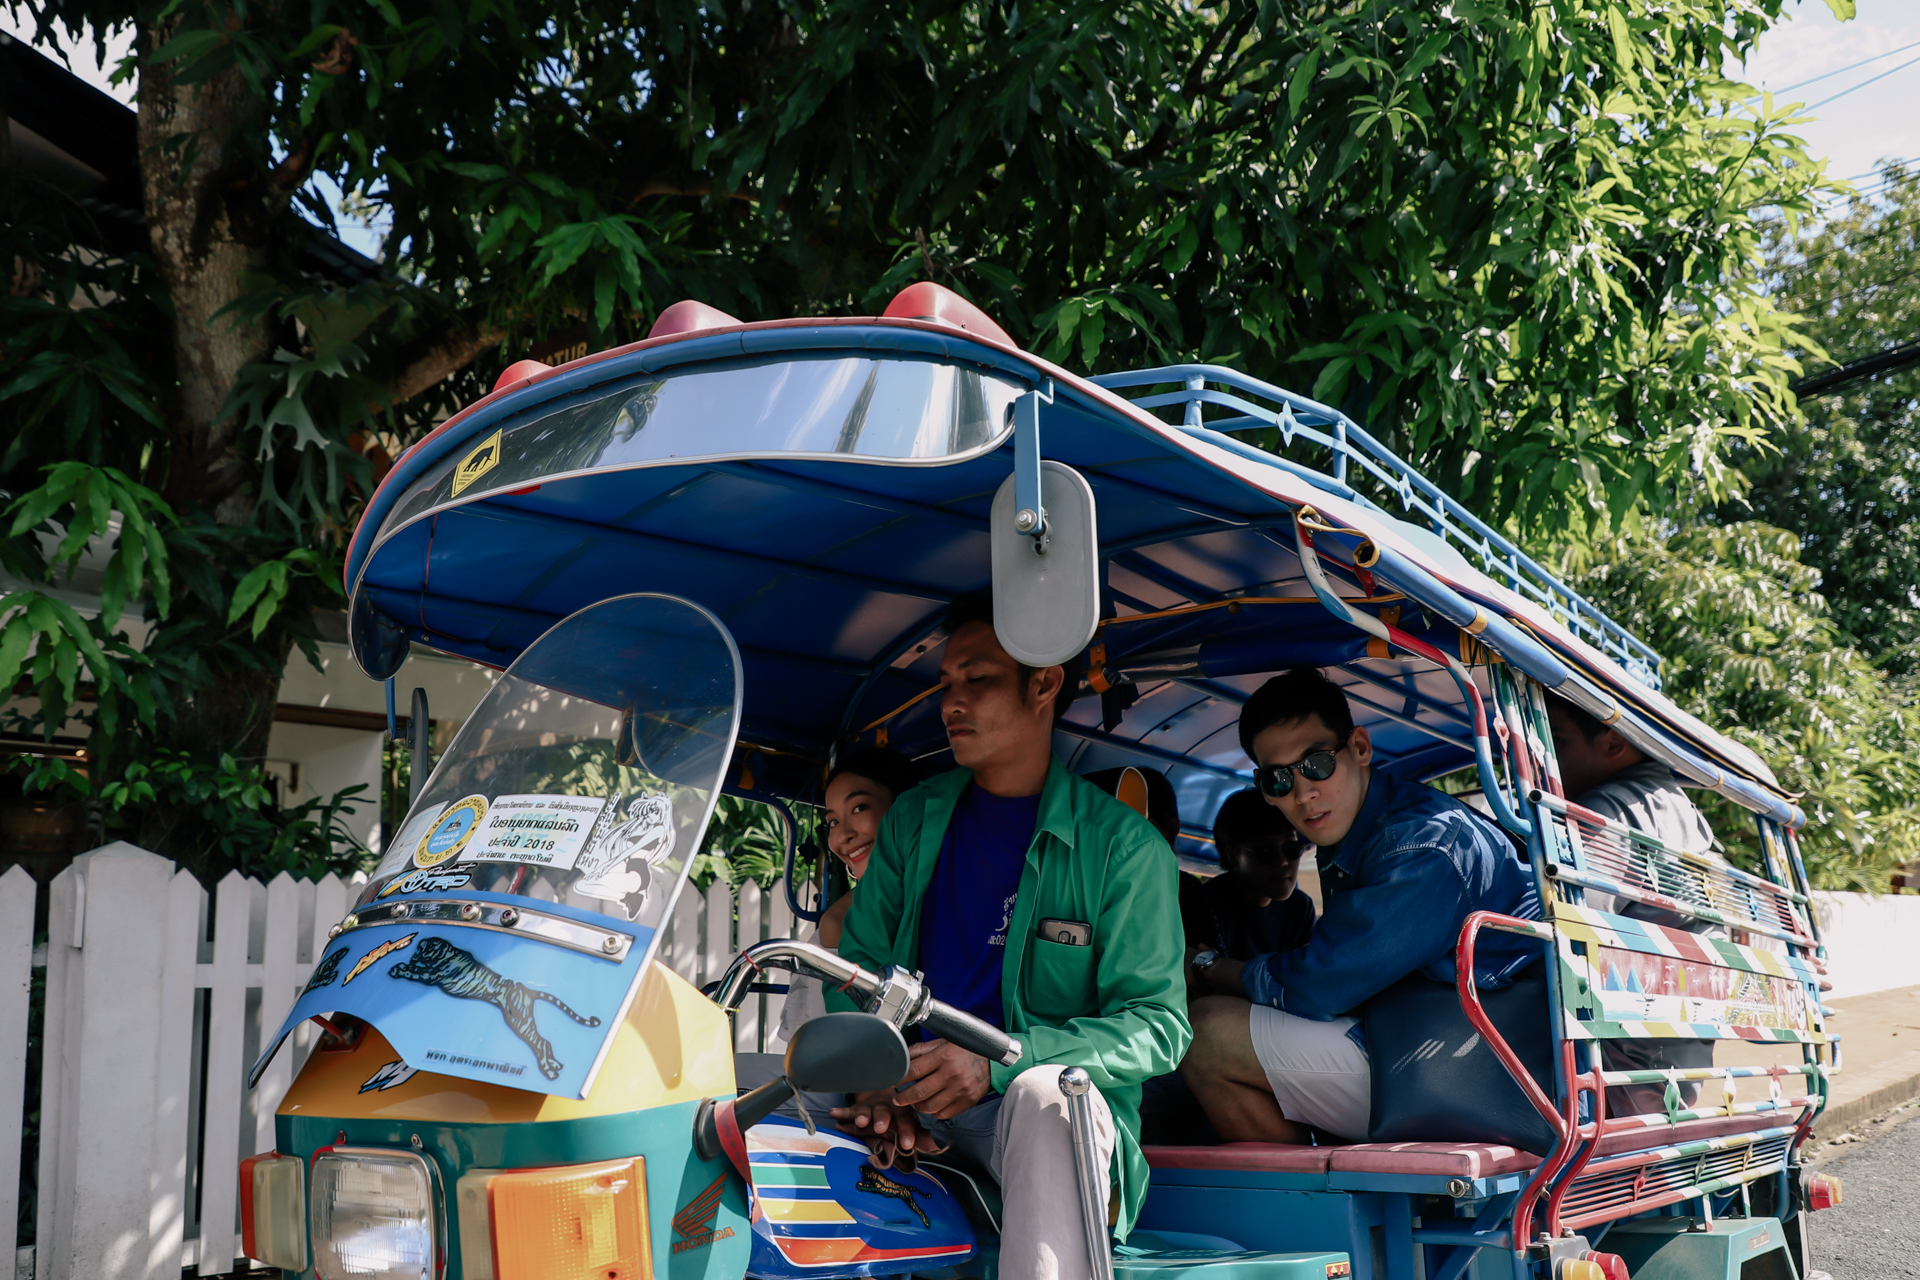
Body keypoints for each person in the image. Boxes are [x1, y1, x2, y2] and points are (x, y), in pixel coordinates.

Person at [826, 593, 1189, 1280]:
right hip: (913, 1102)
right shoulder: (914, 820)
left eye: (978, 679)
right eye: (946, 684)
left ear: (1044, 684)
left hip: (1037, 1119)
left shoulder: (1122, 850)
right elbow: (860, 967)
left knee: (1044, 1096)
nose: (951, 703)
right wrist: (870, 1084)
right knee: (761, 1093)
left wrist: (1001, 1062)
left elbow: (1158, 1026)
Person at [1180, 667, 1542, 1144]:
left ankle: (1305, 1216)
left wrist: (1209, 967)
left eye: (1316, 764)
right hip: (1437, 1040)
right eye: (1278, 778)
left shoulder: (1419, 847)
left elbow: (1319, 986)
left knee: (1201, 1036)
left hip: (1488, 1070)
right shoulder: (1367, 829)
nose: (1303, 792)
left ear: (1360, 749)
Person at [1546, 697, 1722, 1119]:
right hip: (1674, 1064)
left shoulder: (1607, 810)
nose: (1546, 760)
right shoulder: (1686, 811)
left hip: (1615, 1073)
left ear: (1611, 743)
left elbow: (1566, 923)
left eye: (1559, 743)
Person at [776, 747, 924, 1040]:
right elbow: (828, 1051)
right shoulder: (839, 921)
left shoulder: (949, 889)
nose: (842, 836)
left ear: (903, 811)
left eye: (859, 809)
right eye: (833, 822)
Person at [1184, 788, 1315, 978]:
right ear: (1233, 855)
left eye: (1290, 847)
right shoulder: (1206, 906)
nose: (1282, 861)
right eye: (1265, 851)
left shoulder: (1300, 907)